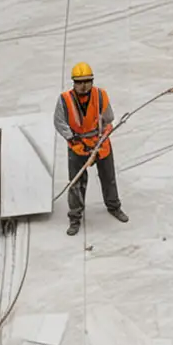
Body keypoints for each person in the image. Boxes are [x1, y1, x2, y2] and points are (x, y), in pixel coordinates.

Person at [55, 62, 128, 236]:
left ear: (92, 81)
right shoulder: (64, 100)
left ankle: (114, 207)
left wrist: (103, 134)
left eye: (87, 81)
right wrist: (72, 138)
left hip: (100, 144)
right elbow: (59, 122)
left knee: (108, 177)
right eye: (79, 82)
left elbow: (108, 118)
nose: (83, 85)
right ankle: (75, 218)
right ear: (73, 83)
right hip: (77, 147)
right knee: (76, 183)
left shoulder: (101, 96)